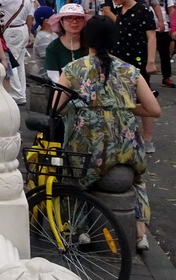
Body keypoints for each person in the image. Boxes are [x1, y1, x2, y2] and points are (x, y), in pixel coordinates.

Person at [56, 17, 162, 250]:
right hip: (126, 145)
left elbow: (57, 107)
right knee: (136, 180)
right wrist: (123, 106)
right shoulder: (130, 70)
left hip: (87, 145)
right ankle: (139, 233)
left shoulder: (74, 69)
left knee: (73, 178)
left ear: (86, 39)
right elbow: (154, 110)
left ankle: (80, 229)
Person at [108, 0, 158, 153]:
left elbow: (151, 36)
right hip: (119, 60)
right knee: (122, 97)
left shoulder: (143, 11)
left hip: (138, 60)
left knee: (143, 97)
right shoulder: (120, 11)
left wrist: (151, 61)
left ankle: (148, 137)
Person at [0, 0, 35, 106]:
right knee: (19, 63)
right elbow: (30, 15)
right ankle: (21, 94)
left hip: (12, 31)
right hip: (22, 29)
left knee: (11, 63)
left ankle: (16, 94)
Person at [145, 0, 176, 88]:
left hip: (163, 28)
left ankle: (166, 77)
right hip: (147, 29)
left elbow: (171, 10)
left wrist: (173, 26)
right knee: (145, 54)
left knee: (165, 54)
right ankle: (145, 78)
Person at [44, 3, 89, 82]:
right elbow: (54, 79)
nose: (74, 22)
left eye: (79, 18)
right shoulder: (53, 48)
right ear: (61, 22)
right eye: (69, 18)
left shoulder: (92, 43)